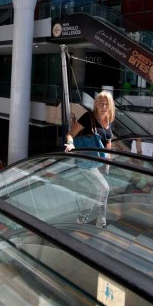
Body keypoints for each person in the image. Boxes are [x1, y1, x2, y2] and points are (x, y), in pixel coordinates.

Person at [64, 91, 115, 228]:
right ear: (96, 105)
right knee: (104, 188)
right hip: (85, 162)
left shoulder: (109, 120)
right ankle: (101, 221)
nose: (103, 106)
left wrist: (107, 163)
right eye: (101, 103)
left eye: (106, 104)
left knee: (95, 190)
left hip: (97, 162)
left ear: (110, 106)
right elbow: (70, 134)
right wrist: (70, 144)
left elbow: (108, 142)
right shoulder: (88, 117)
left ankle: (82, 217)